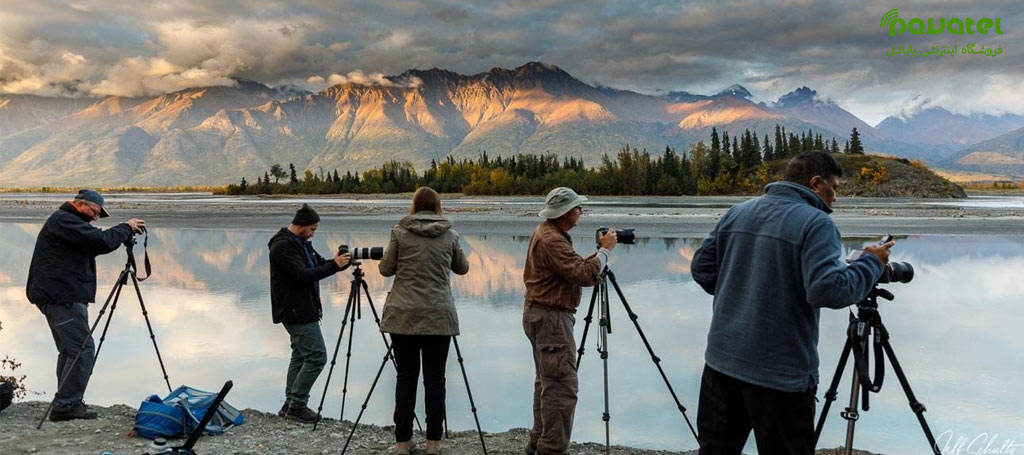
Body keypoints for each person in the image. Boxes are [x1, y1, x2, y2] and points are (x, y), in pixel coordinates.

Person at [690, 150, 894, 455]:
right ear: (815, 183)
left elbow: (701, 269)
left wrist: (745, 291)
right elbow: (829, 291)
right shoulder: (817, 224)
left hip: (721, 363)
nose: (835, 198)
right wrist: (870, 263)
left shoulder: (739, 211)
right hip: (780, 376)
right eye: (834, 188)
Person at [27, 189, 145, 421]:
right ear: (80, 204)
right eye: (95, 212)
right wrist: (125, 227)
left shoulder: (68, 222)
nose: (95, 217)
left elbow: (99, 245)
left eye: (98, 214)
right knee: (82, 349)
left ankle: (65, 401)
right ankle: (66, 406)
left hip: (59, 295)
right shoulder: (65, 220)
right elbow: (100, 239)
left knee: (70, 350)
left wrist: (121, 235)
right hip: (61, 296)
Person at [522, 187, 617, 455]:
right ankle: (550, 449)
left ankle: (539, 441)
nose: (581, 212)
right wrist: (605, 253)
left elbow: (574, 270)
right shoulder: (552, 239)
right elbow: (583, 273)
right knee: (561, 387)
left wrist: (599, 253)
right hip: (551, 319)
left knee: (546, 381)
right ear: (565, 213)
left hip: (541, 314)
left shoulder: (549, 233)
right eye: (577, 208)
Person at [379, 187, 469, 455]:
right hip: (438, 316)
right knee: (435, 379)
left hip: (403, 316)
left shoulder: (399, 232)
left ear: (414, 206)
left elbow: (385, 269)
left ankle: (402, 443)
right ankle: (433, 443)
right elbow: (462, 268)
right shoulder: (450, 234)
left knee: (406, 377)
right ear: (438, 207)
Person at [268, 203, 350, 423]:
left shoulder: (301, 244)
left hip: (303, 309)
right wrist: (334, 265)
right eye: (312, 229)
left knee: (300, 356)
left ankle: (290, 404)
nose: (313, 233)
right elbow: (303, 275)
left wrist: (339, 263)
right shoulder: (283, 247)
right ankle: (298, 406)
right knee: (316, 357)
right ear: (302, 225)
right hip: (295, 311)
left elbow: (320, 265)